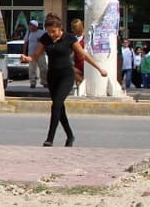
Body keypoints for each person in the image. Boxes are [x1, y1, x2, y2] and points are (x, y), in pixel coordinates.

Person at [21, 13, 107, 147]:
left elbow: (83, 54)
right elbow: (36, 55)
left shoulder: (69, 38)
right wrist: (28, 59)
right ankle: (70, 136)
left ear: (60, 28)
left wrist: (99, 68)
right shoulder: (45, 38)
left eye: (53, 31)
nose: (51, 34)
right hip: (52, 76)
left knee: (56, 105)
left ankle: (50, 138)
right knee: (59, 108)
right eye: (49, 32)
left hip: (66, 76)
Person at [24, 19, 47, 88]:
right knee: (32, 69)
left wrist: (40, 40)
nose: (31, 27)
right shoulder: (28, 33)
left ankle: (44, 81)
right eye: (30, 25)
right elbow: (25, 43)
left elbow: (45, 42)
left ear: (36, 26)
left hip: (41, 54)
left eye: (32, 25)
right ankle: (32, 82)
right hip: (31, 54)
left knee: (43, 68)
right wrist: (24, 53)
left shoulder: (42, 32)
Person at [70, 19, 86, 86]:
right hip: (76, 62)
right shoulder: (74, 38)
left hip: (84, 62)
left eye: (74, 28)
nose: (72, 30)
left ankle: (85, 85)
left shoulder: (85, 38)